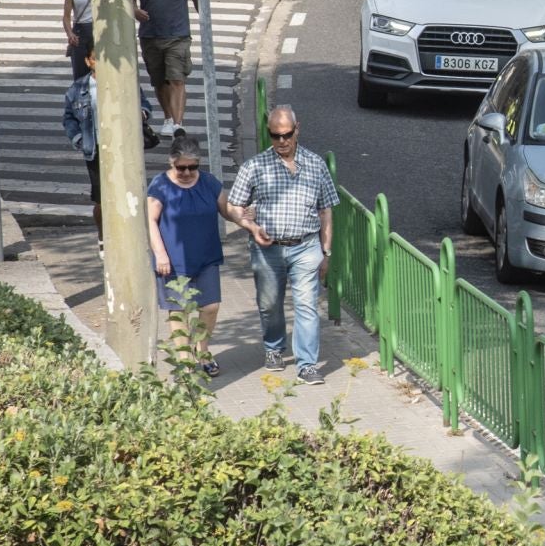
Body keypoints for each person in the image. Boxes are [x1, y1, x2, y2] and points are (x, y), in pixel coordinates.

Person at [227, 106, 338, 384]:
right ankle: (274, 347)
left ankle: (307, 364)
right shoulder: (254, 167)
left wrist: (327, 251)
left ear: (297, 129)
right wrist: (250, 226)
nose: (282, 141)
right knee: (269, 304)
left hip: (306, 246)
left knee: (306, 305)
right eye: (275, 136)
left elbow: (326, 210)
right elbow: (232, 206)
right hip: (268, 249)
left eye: (287, 135)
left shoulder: (315, 164)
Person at [147, 134, 245, 377]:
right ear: (172, 162)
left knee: (210, 306)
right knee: (178, 309)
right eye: (182, 167)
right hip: (173, 260)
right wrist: (160, 254)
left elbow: (227, 210)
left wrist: (247, 220)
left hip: (206, 256)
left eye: (193, 167)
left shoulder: (209, 183)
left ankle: (202, 350)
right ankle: (184, 359)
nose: (188, 172)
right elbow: (150, 220)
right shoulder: (160, 186)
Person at [61, 30, 157, 242]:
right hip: (95, 149)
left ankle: (131, 237)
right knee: (101, 199)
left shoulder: (125, 80)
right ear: (88, 61)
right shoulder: (78, 89)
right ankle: (104, 236)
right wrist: (78, 139)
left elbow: (145, 104)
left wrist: (141, 113)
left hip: (124, 147)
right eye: (96, 59)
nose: (100, 64)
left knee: (129, 191)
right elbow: (69, 118)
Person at [135, 0, 199, 137]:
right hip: (150, 34)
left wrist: (205, 20)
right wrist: (135, 12)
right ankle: (168, 117)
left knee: (177, 79)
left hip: (178, 35)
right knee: (159, 81)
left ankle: (178, 125)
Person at [60, 0, 93, 80]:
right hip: (81, 31)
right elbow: (66, 16)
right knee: (81, 76)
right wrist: (70, 34)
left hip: (100, 30)